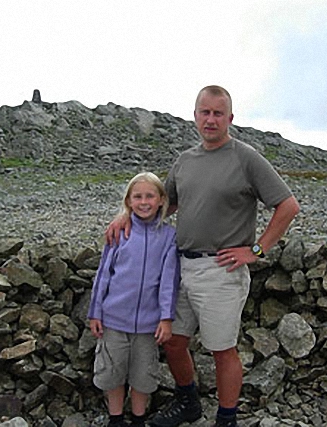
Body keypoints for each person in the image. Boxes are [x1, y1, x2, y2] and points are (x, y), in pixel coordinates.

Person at [106, 86, 300, 427]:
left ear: (230, 118)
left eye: (218, 113)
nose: (210, 119)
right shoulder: (185, 160)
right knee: (174, 341)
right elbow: (166, 204)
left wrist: (256, 250)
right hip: (180, 266)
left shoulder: (246, 158)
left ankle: (227, 419)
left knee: (222, 349)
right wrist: (127, 216)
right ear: (195, 115)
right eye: (204, 112)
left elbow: (288, 205)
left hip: (222, 270)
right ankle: (189, 403)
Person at [89, 172, 180, 427]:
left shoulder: (169, 236)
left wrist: (166, 318)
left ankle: (138, 419)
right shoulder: (119, 232)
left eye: (150, 196)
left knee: (143, 376)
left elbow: (168, 282)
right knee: (112, 373)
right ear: (128, 201)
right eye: (137, 196)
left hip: (149, 326)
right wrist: (95, 312)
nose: (143, 202)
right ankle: (116, 419)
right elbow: (103, 274)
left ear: (162, 200)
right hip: (113, 321)